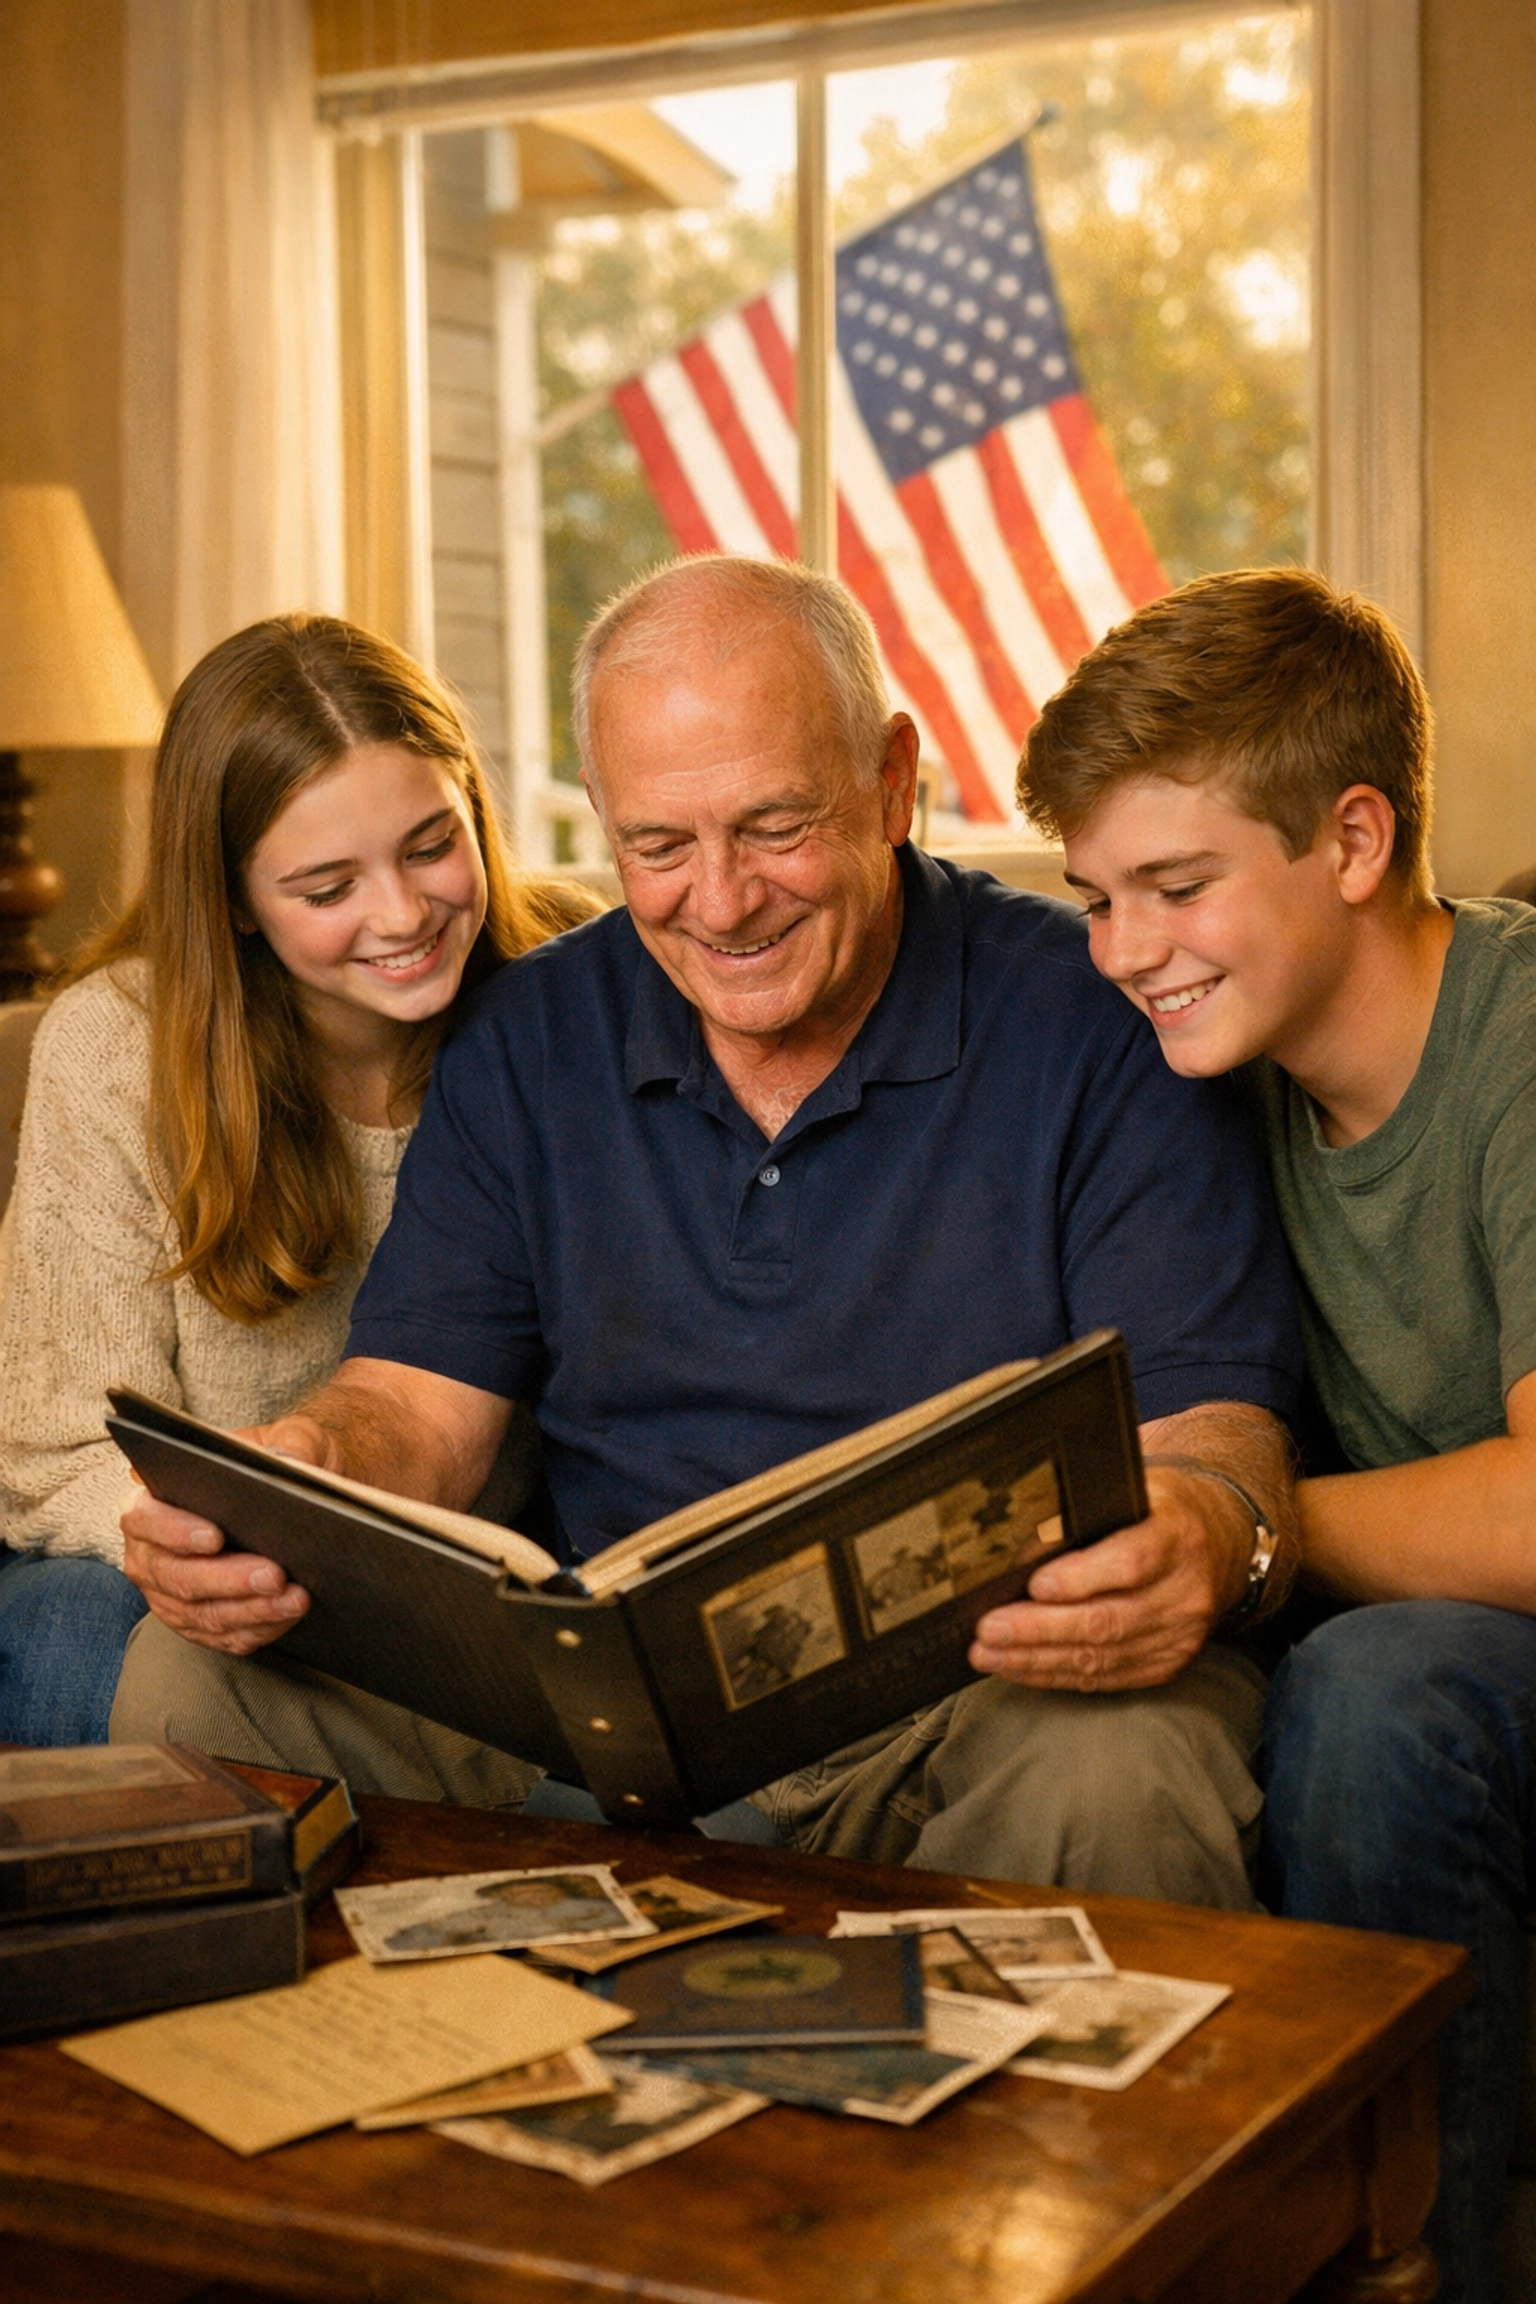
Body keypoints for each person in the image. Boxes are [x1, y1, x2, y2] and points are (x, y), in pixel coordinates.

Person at [113, 555, 1304, 1906]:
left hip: (972, 1710)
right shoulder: (526, 1037)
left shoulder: (1097, 1018)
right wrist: (308, 1469)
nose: (722, 903)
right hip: (602, 1738)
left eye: (776, 826)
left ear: (894, 780)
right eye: (658, 847)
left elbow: (1215, 1431)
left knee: (1130, 1766)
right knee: (192, 1676)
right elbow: (416, 1410)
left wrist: (1206, 1534)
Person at [1018, 564, 1536, 2304]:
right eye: (1096, 897)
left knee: (1377, 1690)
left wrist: (1257, 1530)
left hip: (1460, 1659)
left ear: (1357, 836)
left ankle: (1426, 2267)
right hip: (1383, 1634)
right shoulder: (1198, 1074)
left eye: (1176, 886)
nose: (1123, 950)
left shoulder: (1522, 1038)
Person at [0, 612, 598, 1748]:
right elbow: (51, 1450)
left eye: (431, 844)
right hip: (191, 1566)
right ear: (230, 899)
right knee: (66, 1631)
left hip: (492, 1562)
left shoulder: (576, 978)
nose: (404, 914)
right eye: (327, 888)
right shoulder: (117, 1050)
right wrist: (190, 1547)